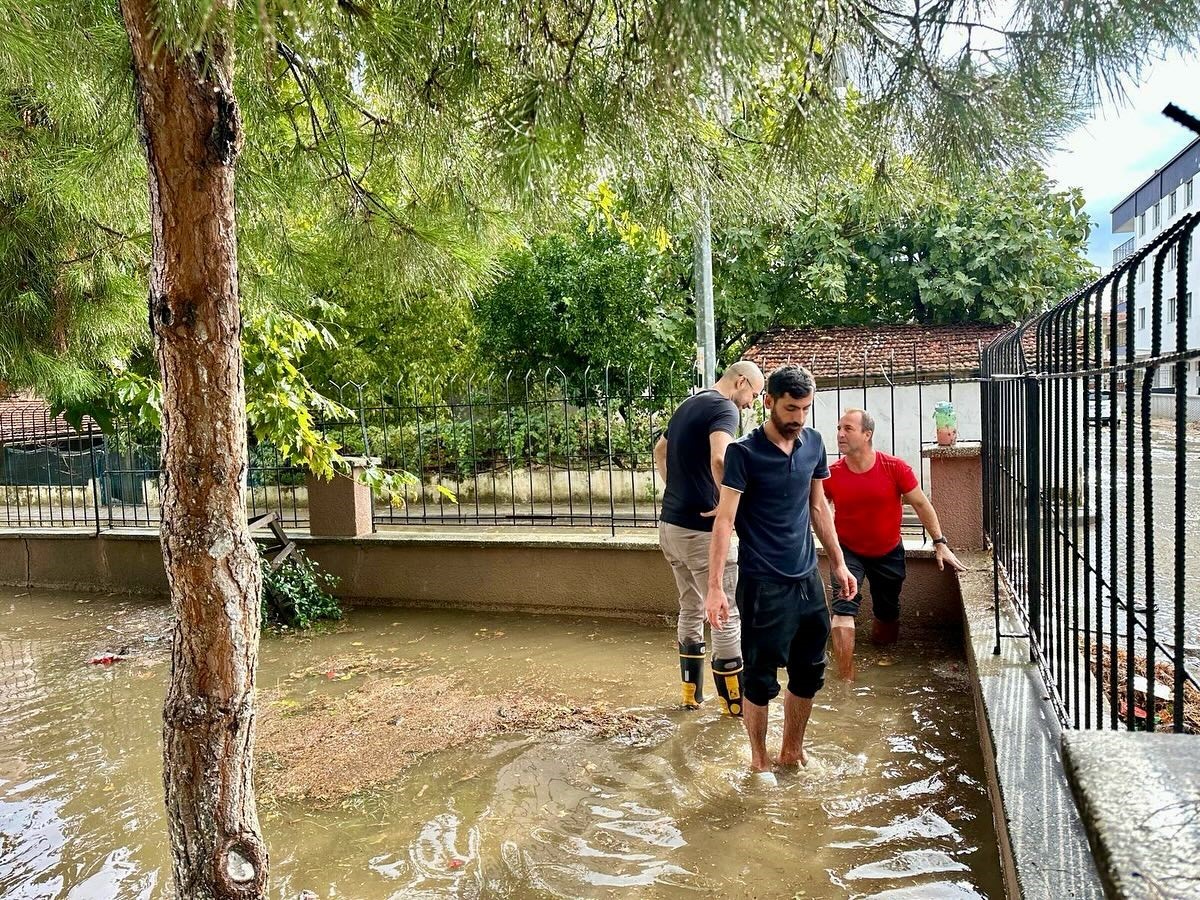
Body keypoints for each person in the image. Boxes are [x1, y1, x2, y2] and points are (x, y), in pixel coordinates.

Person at [704, 365, 857, 771]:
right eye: (791, 408)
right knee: (759, 680)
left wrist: (839, 564)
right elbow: (724, 519)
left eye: (805, 409)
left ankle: (791, 751)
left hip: (807, 581)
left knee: (809, 673)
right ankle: (759, 760)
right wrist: (715, 587)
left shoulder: (813, 444)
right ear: (768, 402)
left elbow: (818, 507)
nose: (798, 419)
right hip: (761, 584)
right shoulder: (743, 453)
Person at [654, 360, 765, 715]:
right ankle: (735, 710)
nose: (750, 404)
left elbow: (659, 450)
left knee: (691, 607)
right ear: (742, 382)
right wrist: (724, 503)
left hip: (670, 528)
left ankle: (690, 698)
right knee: (725, 613)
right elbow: (721, 457)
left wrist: (676, 490)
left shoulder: (689, 403)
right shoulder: (724, 408)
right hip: (702, 534)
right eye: (754, 395)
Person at [824, 408, 967, 680]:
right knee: (843, 605)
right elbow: (817, 507)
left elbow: (922, 504)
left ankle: (883, 656)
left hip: (888, 551)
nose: (840, 434)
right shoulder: (833, 473)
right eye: (839, 428)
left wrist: (939, 542)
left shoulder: (894, 468)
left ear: (867, 434)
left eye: (848, 429)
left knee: (887, 614)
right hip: (848, 551)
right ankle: (846, 679)